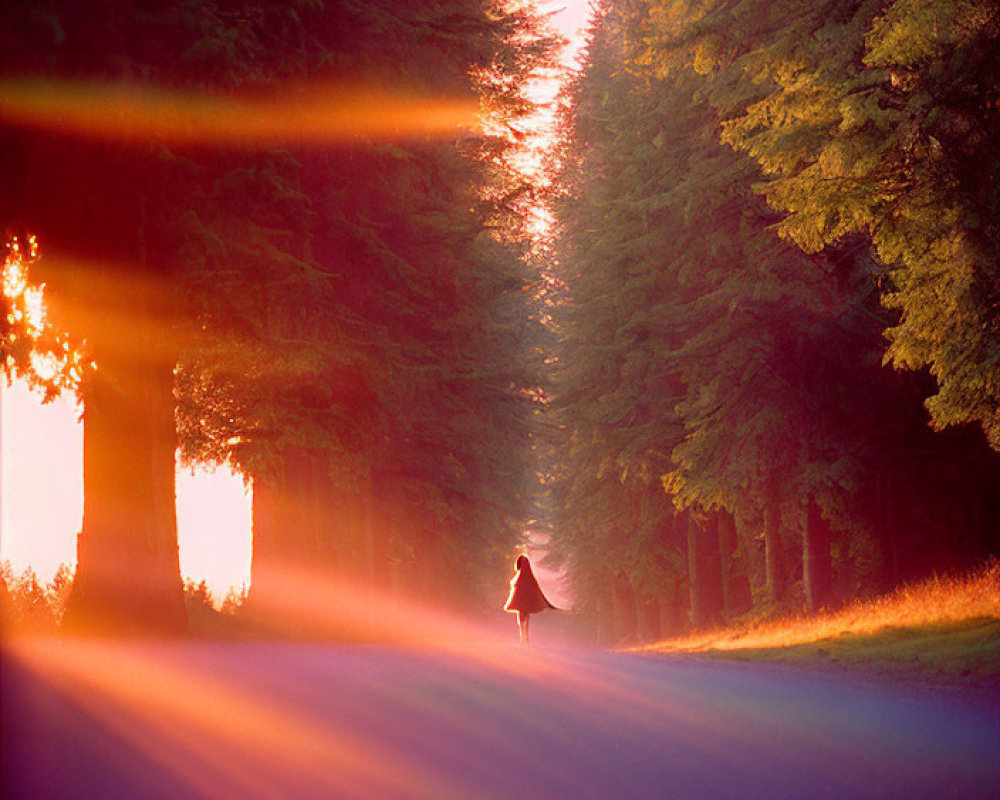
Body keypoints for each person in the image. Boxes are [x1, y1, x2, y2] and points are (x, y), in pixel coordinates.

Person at [503, 554, 555, 644]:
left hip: (521, 601)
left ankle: (523, 636)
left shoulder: (520, 577)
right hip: (525, 600)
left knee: (522, 616)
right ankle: (524, 636)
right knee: (525, 616)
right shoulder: (529, 575)